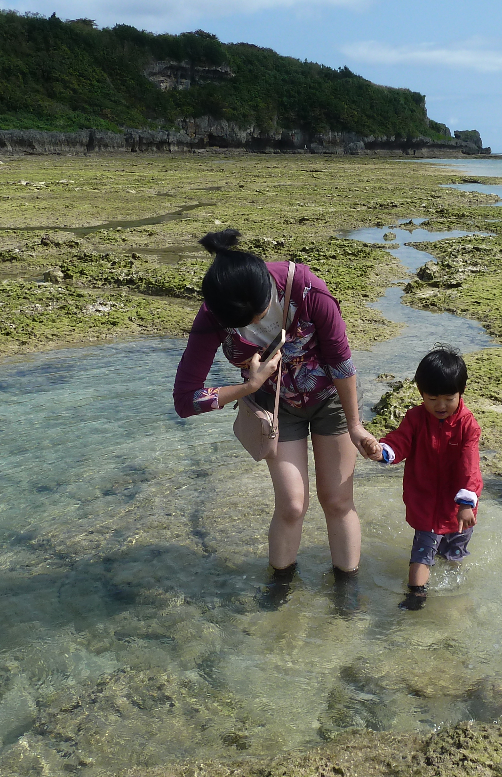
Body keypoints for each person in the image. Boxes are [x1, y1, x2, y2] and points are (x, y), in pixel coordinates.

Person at [173, 230, 382, 606]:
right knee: (291, 504)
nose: (254, 325)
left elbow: (341, 361)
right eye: (243, 324)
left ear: (268, 290)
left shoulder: (306, 289)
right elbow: (186, 400)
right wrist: (248, 386)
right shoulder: (215, 313)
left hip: (330, 398)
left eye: (259, 315)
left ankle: (346, 588)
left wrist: (355, 424)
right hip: (273, 407)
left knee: (336, 500)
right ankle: (281, 584)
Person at [371, 346, 482, 610]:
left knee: (454, 554)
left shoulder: (468, 425)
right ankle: (416, 594)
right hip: (425, 500)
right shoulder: (415, 418)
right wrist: (383, 450)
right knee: (422, 550)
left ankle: (454, 596)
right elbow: (400, 441)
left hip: (458, 507)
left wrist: (467, 503)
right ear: (421, 394)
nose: (440, 405)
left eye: (448, 398)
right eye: (432, 398)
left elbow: (470, 466)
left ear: (461, 392)